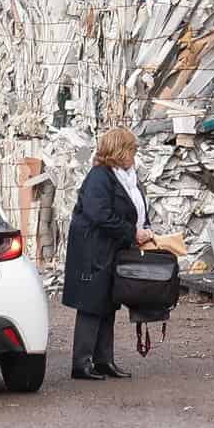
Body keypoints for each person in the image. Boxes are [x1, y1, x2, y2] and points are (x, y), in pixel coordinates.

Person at [62, 127, 155, 381]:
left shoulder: (126, 176)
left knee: (108, 302)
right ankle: (81, 363)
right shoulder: (99, 177)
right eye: (131, 149)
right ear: (119, 150)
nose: (135, 153)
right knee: (91, 304)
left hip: (113, 248)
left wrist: (142, 227)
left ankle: (104, 360)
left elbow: (133, 207)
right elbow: (98, 213)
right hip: (93, 249)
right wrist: (131, 232)